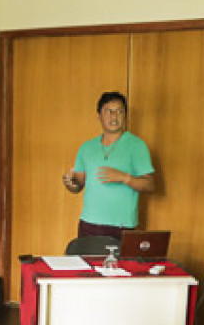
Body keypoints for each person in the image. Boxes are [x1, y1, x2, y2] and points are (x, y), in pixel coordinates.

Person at [62, 91, 155, 239]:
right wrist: (70, 183)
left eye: (119, 111)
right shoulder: (86, 148)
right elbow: (78, 185)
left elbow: (150, 185)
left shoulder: (137, 145)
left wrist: (124, 178)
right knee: (86, 263)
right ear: (99, 116)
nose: (114, 116)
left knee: (120, 263)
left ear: (125, 115)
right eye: (109, 111)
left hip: (122, 227)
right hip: (88, 224)